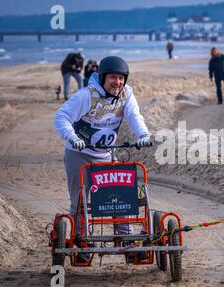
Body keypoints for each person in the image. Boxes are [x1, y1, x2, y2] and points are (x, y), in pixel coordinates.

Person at [55, 56, 152, 263]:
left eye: (120, 78)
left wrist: (143, 135)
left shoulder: (126, 93)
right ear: (102, 78)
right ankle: (82, 241)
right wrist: (72, 137)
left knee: (118, 197)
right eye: (113, 78)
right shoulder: (86, 95)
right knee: (80, 200)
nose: (117, 82)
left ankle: (126, 239)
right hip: (78, 154)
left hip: (105, 154)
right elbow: (61, 117)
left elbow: (134, 115)